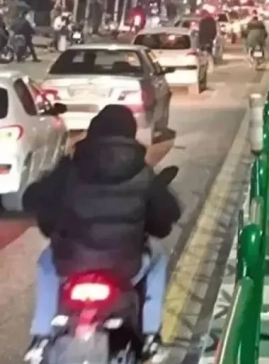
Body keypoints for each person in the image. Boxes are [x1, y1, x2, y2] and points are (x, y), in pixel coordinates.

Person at [22, 105, 181, 362]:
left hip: (72, 263)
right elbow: (167, 214)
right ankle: (151, 335)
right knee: (159, 258)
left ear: (93, 132)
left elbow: (33, 199)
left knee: (46, 262)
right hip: (125, 267)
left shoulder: (70, 168)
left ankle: (41, 336)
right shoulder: (142, 173)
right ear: (130, 135)